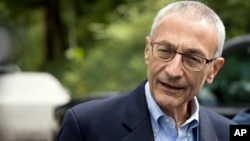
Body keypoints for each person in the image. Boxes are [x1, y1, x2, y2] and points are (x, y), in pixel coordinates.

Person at [56, 1, 236, 141]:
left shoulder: (230, 133)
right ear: (147, 51)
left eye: (192, 58)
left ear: (213, 69)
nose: (173, 71)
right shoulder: (86, 125)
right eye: (165, 51)